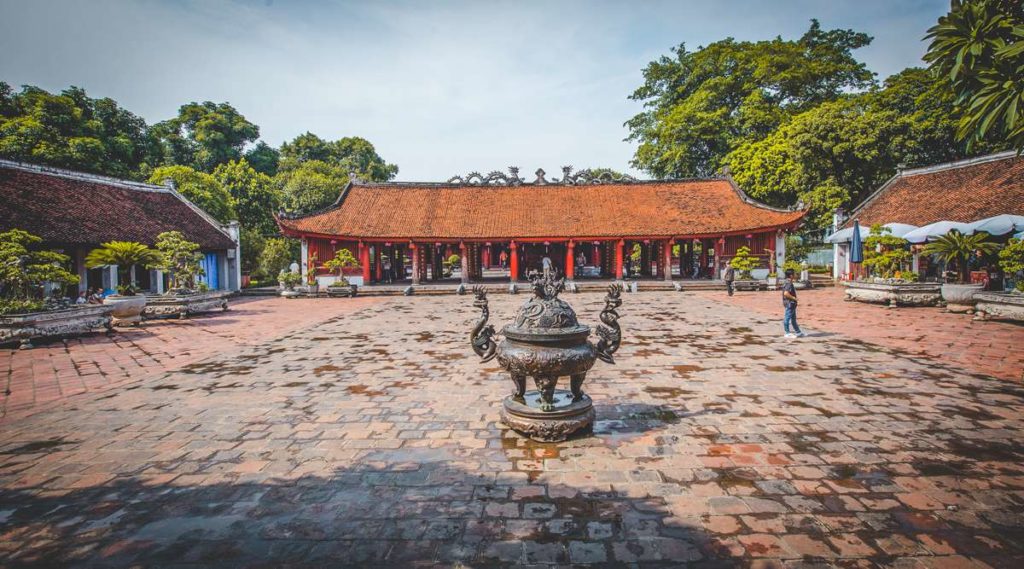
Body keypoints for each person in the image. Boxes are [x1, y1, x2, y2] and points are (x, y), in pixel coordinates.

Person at [782, 268, 804, 338]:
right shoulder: (788, 283)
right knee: (787, 318)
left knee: (793, 318)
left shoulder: (788, 282)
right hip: (790, 303)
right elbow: (786, 293)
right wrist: (794, 298)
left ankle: (798, 332)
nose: (795, 275)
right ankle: (787, 332)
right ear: (791, 275)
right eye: (794, 274)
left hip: (792, 304)